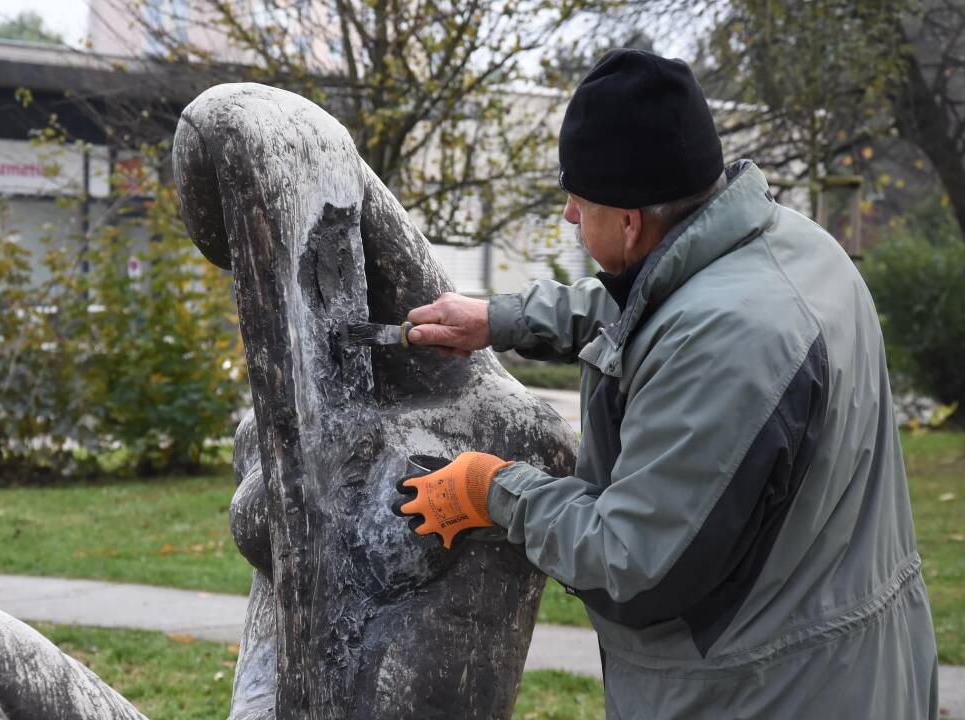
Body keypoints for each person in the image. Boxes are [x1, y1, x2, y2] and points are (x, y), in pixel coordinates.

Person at [394, 48, 939, 719]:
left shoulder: (733, 343)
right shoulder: (783, 245)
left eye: (579, 201)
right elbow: (656, 308)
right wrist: (499, 319)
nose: (569, 216)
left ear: (629, 221)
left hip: (767, 694)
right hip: (846, 660)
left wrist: (493, 490)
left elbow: (631, 562)